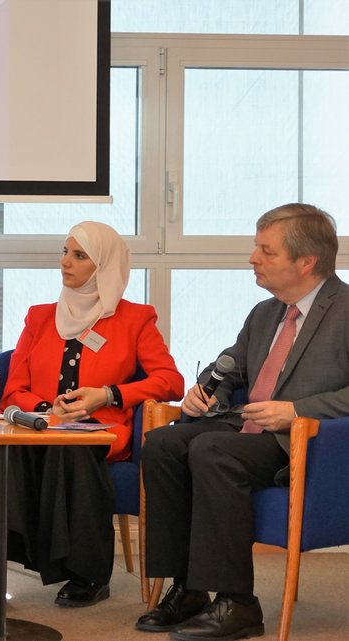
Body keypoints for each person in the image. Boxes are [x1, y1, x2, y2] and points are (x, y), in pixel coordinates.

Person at [137, 203, 349, 641]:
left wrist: (296, 410)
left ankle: (238, 604)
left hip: (305, 444)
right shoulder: (265, 313)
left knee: (211, 450)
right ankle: (189, 588)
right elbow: (231, 369)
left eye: (266, 251)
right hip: (246, 430)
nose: (253, 258)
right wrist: (206, 391)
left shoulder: (346, 313)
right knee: (163, 443)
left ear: (306, 261)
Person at [1, 221, 184, 607]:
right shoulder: (39, 318)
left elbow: (171, 382)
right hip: (42, 425)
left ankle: (88, 574)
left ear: (103, 266)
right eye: (64, 252)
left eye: (79, 255)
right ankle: (6, 555)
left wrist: (108, 394)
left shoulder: (135, 319)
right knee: (10, 448)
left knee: (75, 447)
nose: (65, 262)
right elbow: (13, 389)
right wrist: (45, 410)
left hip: (98, 432)